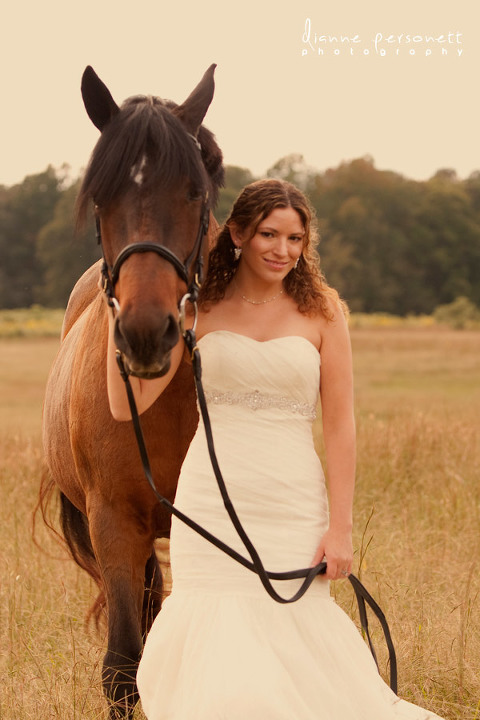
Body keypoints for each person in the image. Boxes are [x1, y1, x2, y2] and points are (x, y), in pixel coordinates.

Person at [107, 179, 443, 719]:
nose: (282, 250)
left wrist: (341, 529)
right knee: (212, 624)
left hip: (291, 498)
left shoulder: (324, 313)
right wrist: (119, 315)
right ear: (237, 233)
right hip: (211, 500)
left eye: (294, 238)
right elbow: (126, 405)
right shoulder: (201, 309)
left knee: (294, 628)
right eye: (268, 234)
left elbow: (340, 426)